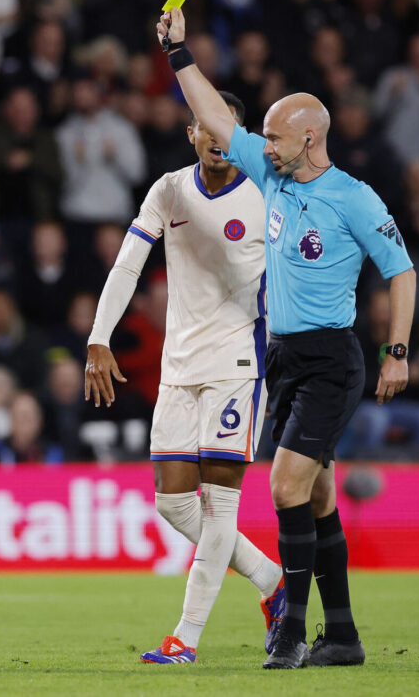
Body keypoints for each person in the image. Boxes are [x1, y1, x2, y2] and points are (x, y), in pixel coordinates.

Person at [157, 7, 416, 669]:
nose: (260, 147)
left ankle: (291, 631)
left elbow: (402, 270)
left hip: (334, 357)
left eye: (273, 137)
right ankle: (346, 637)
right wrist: (180, 55)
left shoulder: (355, 197)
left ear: (308, 138)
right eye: (263, 136)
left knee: (283, 486)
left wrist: (398, 350)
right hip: (283, 357)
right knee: (319, 496)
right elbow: (217, 120)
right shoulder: (272, 174)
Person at [85, 91, 285, 666]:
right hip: (179, 366)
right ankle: (274, 581)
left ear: (241, 134)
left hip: (239, 363)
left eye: (227, 125)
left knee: (221, 507)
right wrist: (99, 336)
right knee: (173, 504)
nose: (216, 135)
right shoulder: (169, 189)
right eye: (205, 124)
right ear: (190, 133)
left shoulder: (265, 192)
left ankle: (185, 639)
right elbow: (128, 262)